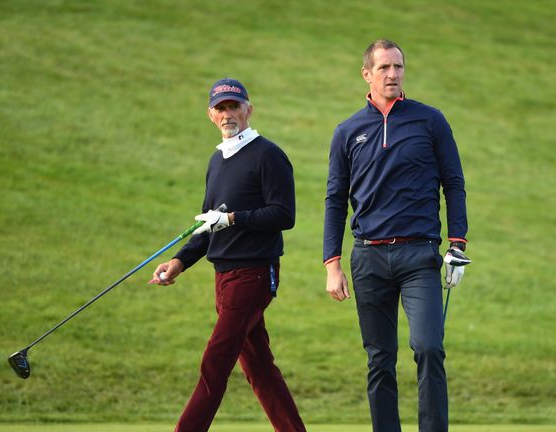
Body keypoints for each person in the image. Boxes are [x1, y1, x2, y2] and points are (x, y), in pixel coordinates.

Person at [322, 39, 471, 432]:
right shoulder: (347, 132)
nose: (393, 74)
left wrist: (457, 244)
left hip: (419, 257)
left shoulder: (430, 120)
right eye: (385, 67)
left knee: (429, 348)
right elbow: (335, 200)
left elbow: (453, 183)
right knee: (379, 359)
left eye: (399, 67)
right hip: (368, 258)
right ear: (366, 74)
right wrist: (332, 264)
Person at [150, 78, 306, 432]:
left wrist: (232, 219)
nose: (227, 114)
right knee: (260, 369)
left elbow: (284, 215)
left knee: (215, 362)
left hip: (253, 275)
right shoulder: (216, 160)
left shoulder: (268, 155)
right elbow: (208, 226)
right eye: (220, 108)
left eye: (234, 106)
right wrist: (179, 262)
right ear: (210, 115)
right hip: (223, 278)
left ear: (249, 109)